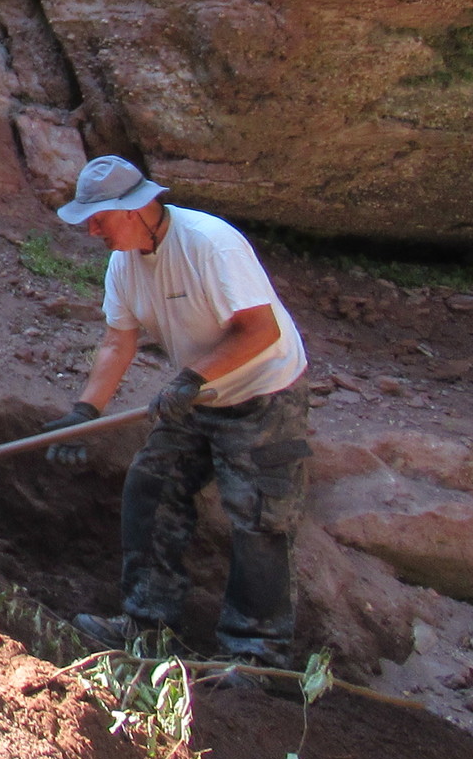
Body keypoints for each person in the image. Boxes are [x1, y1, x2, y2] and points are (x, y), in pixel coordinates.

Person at [41, 155, 310, 663]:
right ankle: (146, 626)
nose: (92, 229)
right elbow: (117, 342)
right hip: (200, 394)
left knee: (260, 518)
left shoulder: (210, 244)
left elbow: (261, 330)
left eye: (98, 217)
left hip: (264, 395)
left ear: (135, 208)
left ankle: (256, 657)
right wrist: (84, 413)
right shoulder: (124, 264)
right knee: (151, 487)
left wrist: (190, 378)